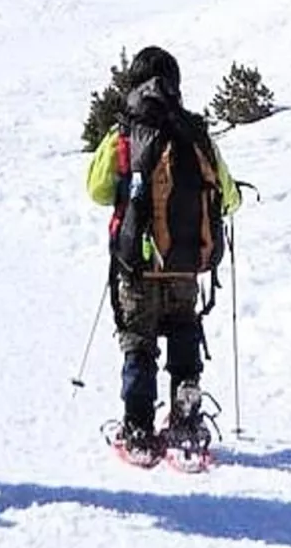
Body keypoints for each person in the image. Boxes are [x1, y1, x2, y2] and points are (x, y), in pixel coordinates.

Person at [86, 46, 241, 465]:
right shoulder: (194, 132)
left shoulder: (123, 133)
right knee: (183, 329)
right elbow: (227, 196)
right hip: (184, 263)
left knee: (138, 342)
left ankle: (138, 428)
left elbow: (97, 190)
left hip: (136, 266)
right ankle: (186, 416)